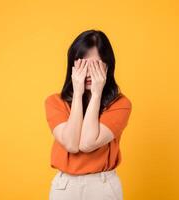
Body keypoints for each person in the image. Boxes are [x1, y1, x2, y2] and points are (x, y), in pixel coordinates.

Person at [44, 29, 132, 200]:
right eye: (83, 64)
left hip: (103, 185)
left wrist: (97, 94)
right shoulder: (55, 102)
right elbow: (71, 144)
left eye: (96, 65)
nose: (89, 73)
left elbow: (87, 143)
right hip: (65, 186)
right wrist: (77, 94)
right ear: (73, 66)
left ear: (108, 66)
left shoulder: (120, 104)